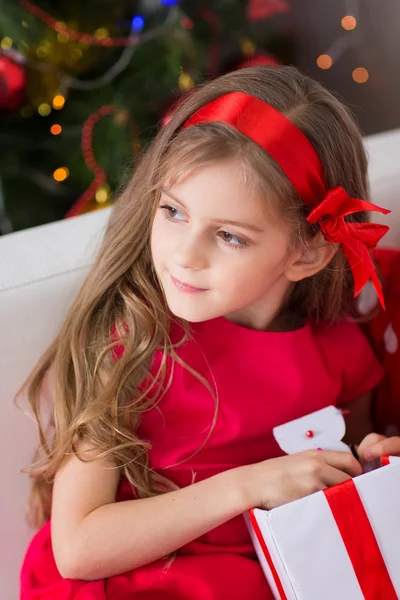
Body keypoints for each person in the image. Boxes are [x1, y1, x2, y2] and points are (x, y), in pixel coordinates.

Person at [19, 65, 400, 600]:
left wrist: (371, 468)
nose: (184, 254)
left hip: (281, 573)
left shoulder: (340, 348)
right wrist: (250, 485)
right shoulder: (130, 342)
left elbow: (337, 484)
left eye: (228, 236)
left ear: (308, 250)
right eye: (173, 211)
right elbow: (78, 547)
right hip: (141, 579)